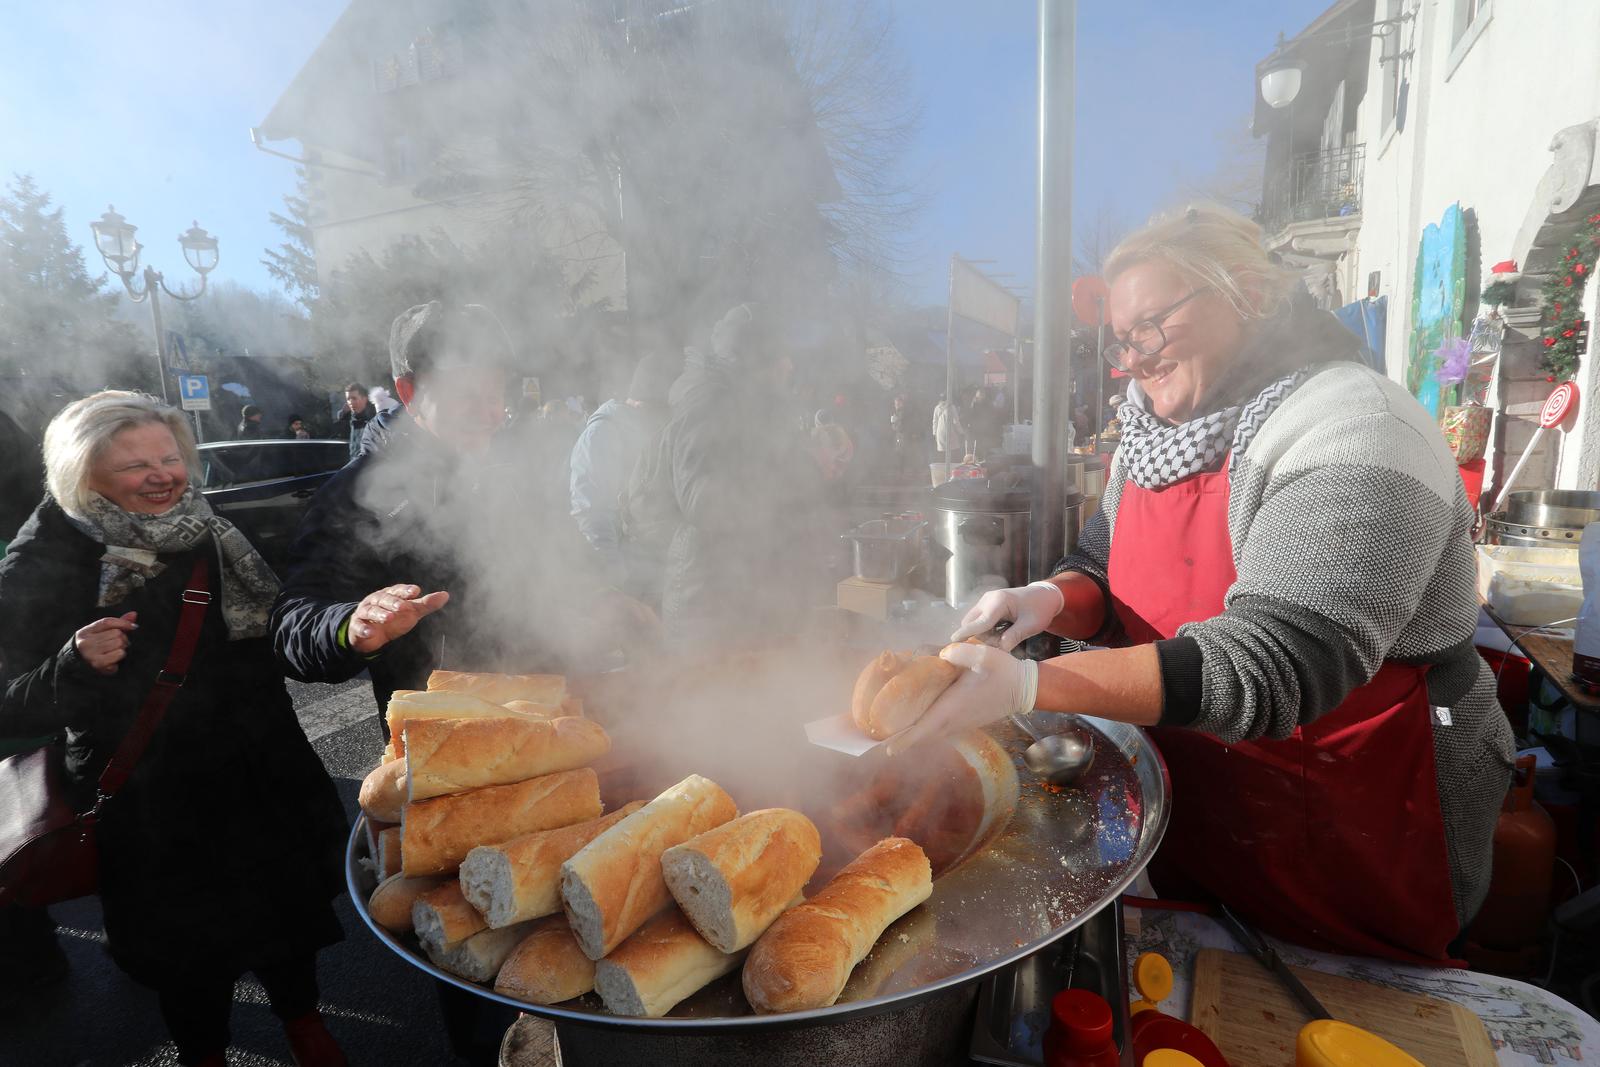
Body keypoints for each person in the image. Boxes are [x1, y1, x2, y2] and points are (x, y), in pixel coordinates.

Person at [895, 205, 1514, 966]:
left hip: (1362, 832)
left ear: (1248, 294)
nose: (1131, 359)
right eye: (1120, 341)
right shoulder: (1155, 434)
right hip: (1206, 815)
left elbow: (1278, 661)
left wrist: (1027, 686)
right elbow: (1101, 561)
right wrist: (1047, 600)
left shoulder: (1359, 424)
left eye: (1150, 326)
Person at [0, 391, 348, 1067]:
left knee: (285, 922)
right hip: (153, 806)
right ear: (83, 473)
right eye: (135, 464)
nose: (164, 475)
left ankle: (306, 1022)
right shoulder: (46, 555)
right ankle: (203, 1052)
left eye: (170, 456)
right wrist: (71, 665)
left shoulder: (200, 523)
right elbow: (9, 702)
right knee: (192, 960)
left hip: (258, 769)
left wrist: (344, 629)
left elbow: (276, 634)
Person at [271, 302, 654, 723]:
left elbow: (563, 559)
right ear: (409, 392)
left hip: (552, 715)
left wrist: (599, 594)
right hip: (448, 737)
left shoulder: (515, 468)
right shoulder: (356, 495)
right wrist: (353, 623)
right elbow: (293, 622)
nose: (490, 414)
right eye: (466, 397)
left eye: (496, 396)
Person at [625, 303, 828, 646]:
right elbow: (702, 501)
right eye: (782, 356)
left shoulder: (750, 407)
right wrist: (780, 485)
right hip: (706, 599)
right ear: (758, 360)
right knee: (709, 691)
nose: (790, 366)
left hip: (742, 590)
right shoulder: (708, 404)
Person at [569, 352, 677, 595]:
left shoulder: (649, 432)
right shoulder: (603, 434)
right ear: (643, 404)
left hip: (654, 572)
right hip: (629, 579)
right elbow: (592, 513)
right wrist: (614, 586)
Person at [333, 383, 375, 461]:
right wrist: (343, 417)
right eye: (348, 399)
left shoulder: (374, 420)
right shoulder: (351, 418)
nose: (350, 402)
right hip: (354, 466)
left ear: (364, 399)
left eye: (354, 398)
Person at [931, 394, 964, 462]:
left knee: (942, 453)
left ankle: (942, 470)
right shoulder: (951, 407)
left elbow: (935, 421)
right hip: (950, 432)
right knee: (953, 451)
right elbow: (956, 422)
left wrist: (934, 433)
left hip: (940, 432)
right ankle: (952, 469)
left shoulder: (937, 408)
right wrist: (961, 432)